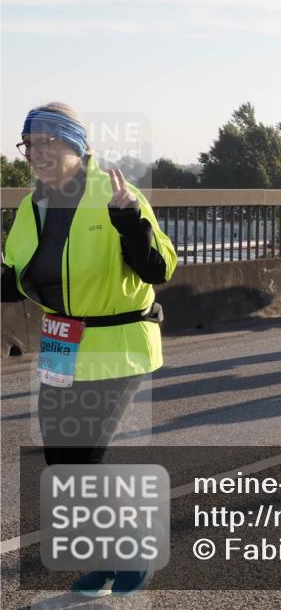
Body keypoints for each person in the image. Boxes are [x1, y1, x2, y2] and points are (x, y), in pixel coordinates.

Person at [1, 102, 177, 597]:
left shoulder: (116, 194)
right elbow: (15, 281)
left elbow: (160, 268)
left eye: (47, 142)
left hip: (116, 343)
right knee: (61, 462)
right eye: (29, 144)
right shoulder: (32, 206)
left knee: (83, 457)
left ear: (76, 145)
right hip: (61, 345)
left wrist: (131, 224)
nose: (37, 153)